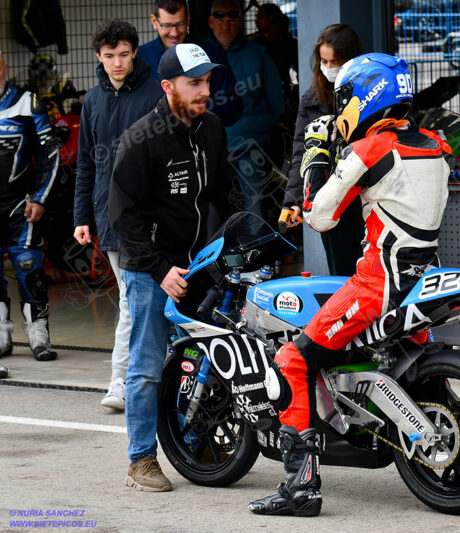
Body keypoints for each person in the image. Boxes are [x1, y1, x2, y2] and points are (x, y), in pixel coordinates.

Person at [248, 53, 452, 517]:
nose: (339, 111)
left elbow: (319, 215)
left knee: (292, 359)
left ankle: (300, 489)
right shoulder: (436, 146)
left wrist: (317, 156)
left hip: (377, 285)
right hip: (426, 280)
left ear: (364, 98)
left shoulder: (369, 150)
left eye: (344, 100)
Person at [109, 43, 241, 492]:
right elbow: (122, 216)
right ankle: (141, 459)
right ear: (168, 87)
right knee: (146, 366)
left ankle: (192, 444)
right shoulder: (140, 140)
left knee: (203, 359)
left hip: (200, 266)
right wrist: (159, 268)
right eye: (195, 82)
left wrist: (238, 241)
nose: (205, 90)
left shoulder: (214, 129)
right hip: (151, 270)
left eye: (207, 81)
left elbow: (226, 192)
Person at [73, 19, 163, 411]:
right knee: (132, 300)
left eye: (124, 54)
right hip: (108, 216)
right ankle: (123, 381)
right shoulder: (92, 101)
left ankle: (137, 381)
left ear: (135, 52)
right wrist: (81, 217)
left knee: (146, 301)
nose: (117, 62)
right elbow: (86, 165)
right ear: (98, 56)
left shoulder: (154, 93)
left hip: (151, 214)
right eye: (109, 56)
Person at [280, 23, 365, 276]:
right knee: (341, 277)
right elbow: (301, 152)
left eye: (334, 61)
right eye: (323, 61)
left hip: (369, 198)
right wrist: (293, 201)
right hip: (332, 199)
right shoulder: (312, 98)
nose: (328, 68)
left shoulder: (370, 92)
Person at [0, 51, 60, 362]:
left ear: (4, 67)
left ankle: (39, 334)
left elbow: (50, 155)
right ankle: (1, 333)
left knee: (30, 270)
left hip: (20, 206)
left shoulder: (29, 102)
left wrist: (39, 198)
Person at [205, 0, 284, 224]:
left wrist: (253, 129)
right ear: (211, 22)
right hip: (210, 148)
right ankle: (213, 259)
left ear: (241, 22)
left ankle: (256, 256)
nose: (226, 24)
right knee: (210, 213)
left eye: (232, 17)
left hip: (251, 146)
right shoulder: (200, 55)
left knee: (255, 209)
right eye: (220, 17)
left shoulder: (259, 55)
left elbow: (277, 105)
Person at [137, 0, 243, 127]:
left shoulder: (212, 54)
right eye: (167, 25)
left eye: (180, 24)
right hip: (155, 141)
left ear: (188, 18)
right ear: (154, 22)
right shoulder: (140, 58)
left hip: (203, 140)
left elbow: (234, 108)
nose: (174, 33)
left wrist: (198, 108)